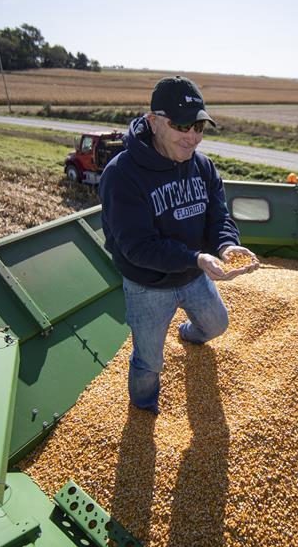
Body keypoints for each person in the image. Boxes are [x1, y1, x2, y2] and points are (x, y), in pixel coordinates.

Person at [98, 76, 258, 415]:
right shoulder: (122, 174)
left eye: (199, 126)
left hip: (193, 274)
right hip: (147, 286)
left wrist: (226, 245)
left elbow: (219, 217)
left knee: (216, 326)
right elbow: (138, 247)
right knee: (149, 360)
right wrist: (197, 258)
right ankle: (143, 406)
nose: (192, 136)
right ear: (154, 121)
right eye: (181, 125)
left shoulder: (203, 167)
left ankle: (188, 334)